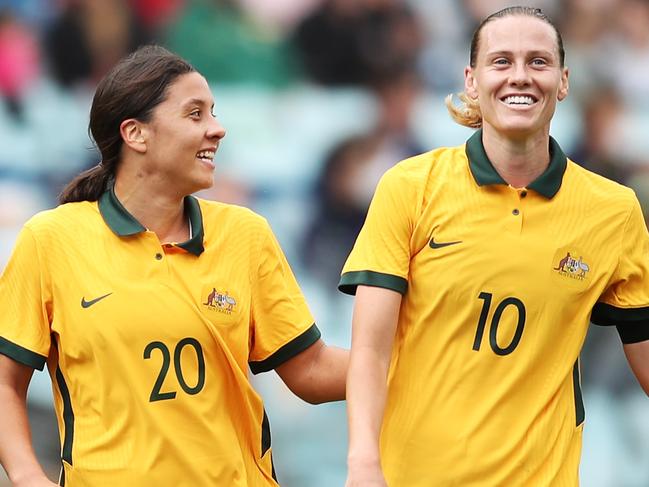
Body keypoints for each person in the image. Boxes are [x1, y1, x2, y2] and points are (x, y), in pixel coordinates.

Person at [0, 45, 348, 487]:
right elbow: (5, 381)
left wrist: (414, 361)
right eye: (195, 114)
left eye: (214, 113)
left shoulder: (247, 234)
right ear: (136, 134)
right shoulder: (50, 240)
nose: (218, 129)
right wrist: (28, 475)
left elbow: (310, 369)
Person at [339, 6, 649, 486]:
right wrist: (362, 464)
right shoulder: (410, 185)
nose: (520, 76)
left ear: (563, 82)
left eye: (538, 62)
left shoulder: (614, 210)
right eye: (501, 61)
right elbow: (370, 351)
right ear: (471, 79)